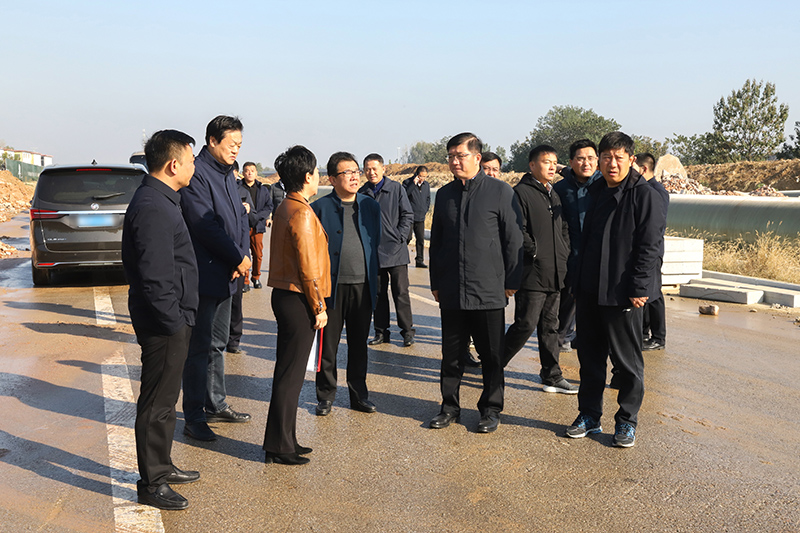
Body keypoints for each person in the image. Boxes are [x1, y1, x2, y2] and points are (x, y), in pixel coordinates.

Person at [565, 132, 662, 448]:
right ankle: (589, 415)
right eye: (606, 157)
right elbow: (585, 242)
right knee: (590, 359)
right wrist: (578, 283)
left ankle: (626, 422)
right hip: (590, 289)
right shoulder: (596, 190)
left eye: (619, 158)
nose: (612, 164)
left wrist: (639, 287)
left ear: (631, 160)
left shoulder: (644, 195)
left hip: (623, 293)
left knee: (627, 363)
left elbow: (649, 246)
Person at [122, 129, 201, 510]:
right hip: (163, 323)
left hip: (171, 319)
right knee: (156, 403)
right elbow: (154, 277)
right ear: (173, 165)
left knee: (167, 400)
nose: (193, 167)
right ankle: (152, 482)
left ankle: (162, 464)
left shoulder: (162, 199)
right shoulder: (153, 205)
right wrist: (175, 322)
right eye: (191, 161)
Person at [428, 132, 523, 434]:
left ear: (477, 157)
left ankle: (491, 409)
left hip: (488, 290)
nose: (454, 161)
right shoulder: (445, 194)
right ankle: (449, 407)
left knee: (491, 356)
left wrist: (512, 280)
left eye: (460, 155)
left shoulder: (500, 191)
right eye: (451, 156)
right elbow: (437, 241)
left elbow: (513, 239)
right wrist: (435, 281)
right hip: (452, 289)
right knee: (451, 355)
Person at [179, 115, 252, 442]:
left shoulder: (228, 174)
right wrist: (236, 257)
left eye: (239, 144)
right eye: (231, 144)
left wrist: (242, 257)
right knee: (199, 348)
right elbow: (204, 225)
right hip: (206, 274)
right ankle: (194, 416)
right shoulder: (198, 174)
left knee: (218, 344)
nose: (236, 149)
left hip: (228, 274)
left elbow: (239, 221)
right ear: (212, 141)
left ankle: (216, 403)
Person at [262, 146, 330, 466]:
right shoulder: (301, 212)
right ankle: (280, 446)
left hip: (286, 295)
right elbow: (308, 266)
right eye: (316, 173)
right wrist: (318, 306)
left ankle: (284, 439)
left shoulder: (286, 205)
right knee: (290, 375)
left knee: (288, 372)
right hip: (298, 297)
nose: (318, 178)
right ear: (307, 176)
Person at [311, 152, 381, 416]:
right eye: (346, 172)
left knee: (359, 345)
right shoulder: (319, 208)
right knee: (328, 345)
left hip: (363, 286)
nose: (354, 176)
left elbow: (376, 242)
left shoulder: (370, 206)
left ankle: (359, 395)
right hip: (332, 288)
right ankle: (325, 396)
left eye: (355, 171)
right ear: (332, 179)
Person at [502, 145, 575, 394]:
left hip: (555, 271)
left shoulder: (553, 193)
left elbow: (563, 228)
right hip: (532, 272)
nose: (552, 167)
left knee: (550, 327)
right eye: (546, 162)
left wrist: (564, 252)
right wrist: (533, 252)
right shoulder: (520, 193)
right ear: (532, 165)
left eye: (554, 162)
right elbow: (517, 229)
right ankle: (495, 364)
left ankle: (551, 375)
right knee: (525, 324)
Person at [553, 139, 603, 353]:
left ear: (597, 161)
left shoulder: (605, 185)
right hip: (571, 255)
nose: (586, 163)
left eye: (591, 158)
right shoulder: (560, 189)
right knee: (568, 300)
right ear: (571, 162)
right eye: (580, 159)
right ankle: (561, 338)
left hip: (599, 256)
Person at [360, 153, 415, 347]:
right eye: (367, 169)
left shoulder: (396, 188)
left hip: (396, 250)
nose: (371, 172)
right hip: (374, 252)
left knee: (401, 293)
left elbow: (407, 214)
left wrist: (400, 236)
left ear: (383, 169)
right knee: (378, 294)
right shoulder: (362, 193)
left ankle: (407, 332)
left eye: (374, 168)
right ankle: (381, 332)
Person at [635, 152, 669, 351]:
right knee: (646, 294)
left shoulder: (656, 191)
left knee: (654, 294)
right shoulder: (645, 189)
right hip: (648, 250)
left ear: (643, 169)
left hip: (652, 251)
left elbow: (656, 226)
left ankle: (659, 337)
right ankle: (644, 333)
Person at [226, 183, 255, 354]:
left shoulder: (240, 197)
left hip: (239, 259)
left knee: (236, 302)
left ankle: (233, 340)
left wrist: (243, 258)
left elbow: (245, 231)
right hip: (220, 258)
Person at [240, 161, 274, 290]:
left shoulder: (263, 189)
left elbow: (269, 206)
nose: (249, 173)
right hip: (242, 225)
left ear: (256, 173)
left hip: (257, 226)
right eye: (247, 170)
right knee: (244, 253)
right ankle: (245, 281)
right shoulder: (237, 188)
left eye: (252, 171)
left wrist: (258, 216)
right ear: (243, 173)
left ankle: (256, 277)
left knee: (258, 254)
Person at [402, 165, 431, 268]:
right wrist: (413, 184)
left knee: (420, 240)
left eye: (425, 176)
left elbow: (428, 199)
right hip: (409, 217)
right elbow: (404, 195)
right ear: (416, 175)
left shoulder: (426, 185)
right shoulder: (407, 183)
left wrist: (425, 210)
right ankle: (402, 258)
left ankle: (419, 260)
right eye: (421, 176)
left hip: (420, 217)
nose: (423, 178)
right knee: (407, 238)